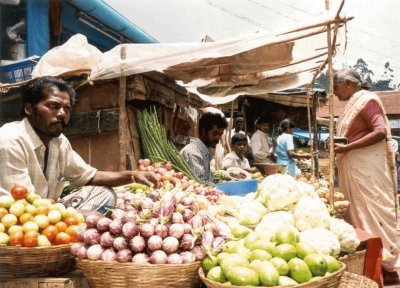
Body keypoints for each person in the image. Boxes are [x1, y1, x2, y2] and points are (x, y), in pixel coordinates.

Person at [0, 76, 160, 213]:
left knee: (104, 194)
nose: (62, 114)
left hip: (47, 212)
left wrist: (133, 176)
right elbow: (20, 205)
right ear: (29, 109)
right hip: (16, 219)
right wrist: (78, 217)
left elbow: (89, 176)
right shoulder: (10, 140)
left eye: (67, 109)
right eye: (53, 106)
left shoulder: (59, 142)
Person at [333, 67, 399, 271]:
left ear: (349, 84)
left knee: (374, 212)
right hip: (357, 168)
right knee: (358, 214)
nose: (335, 93)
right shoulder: (354, 102)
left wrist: (348, 147)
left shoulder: (366, 100)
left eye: (336, 87)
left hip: (367, 171)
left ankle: (385, 262)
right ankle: (370, 262)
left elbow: (380, 131)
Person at [180, 112, 227, 183]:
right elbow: (201, 184)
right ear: (203, 131)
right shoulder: (193, 153)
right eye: (215, 133)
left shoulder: (203, 151)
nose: (218, 138)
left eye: (220, 134)